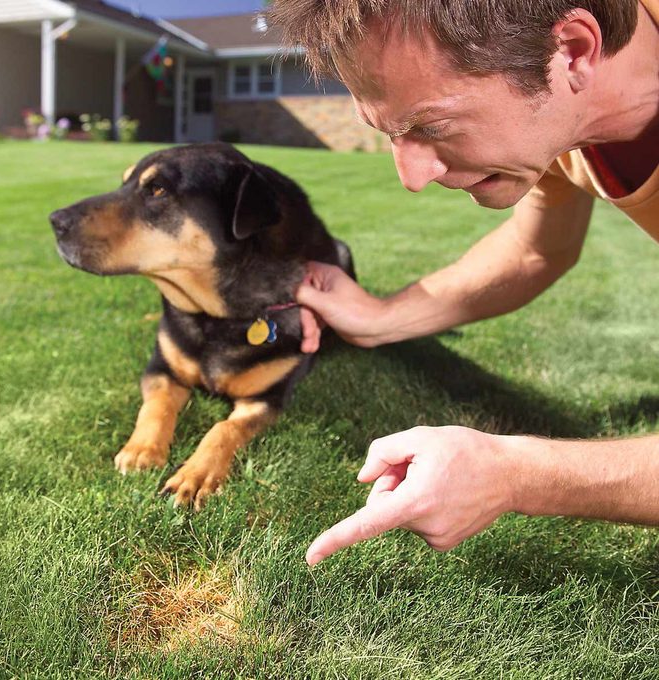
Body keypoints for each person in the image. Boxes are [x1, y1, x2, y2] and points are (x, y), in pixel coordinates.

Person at [268, 0, 659, 565]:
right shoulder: (559, 103)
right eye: (390, 133)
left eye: (431, 126)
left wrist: (515, 475)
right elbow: (535, 250)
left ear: (573, 50)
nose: (412, 178)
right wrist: (381, 318)